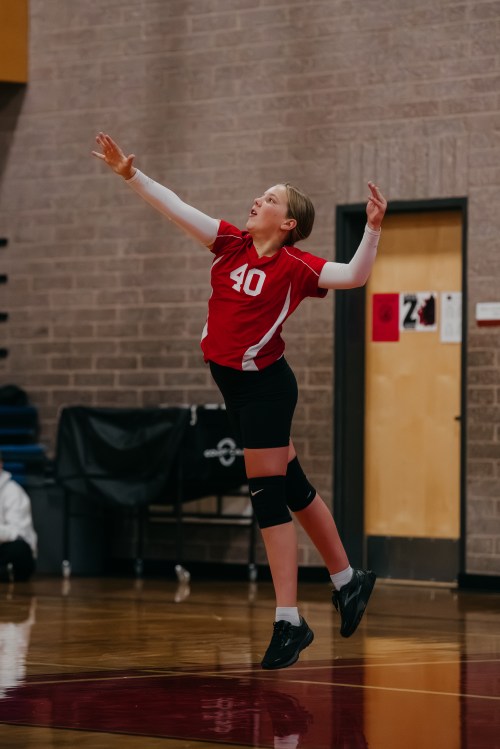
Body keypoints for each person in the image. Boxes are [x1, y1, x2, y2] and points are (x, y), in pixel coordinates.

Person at [92, 132, 387, 670]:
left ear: (288, 222)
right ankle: (348, 580)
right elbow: (177, 208)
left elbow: (354, 276)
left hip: (265, 390)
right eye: (260, 194)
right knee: (294, 489)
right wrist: (131, 175)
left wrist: (371, 229)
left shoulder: (296, 266)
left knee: (268, 498)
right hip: (238, 387)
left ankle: (289, 621)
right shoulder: (229, 244)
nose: (257, 200)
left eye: (270, 199)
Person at [0, 453, 37, 582]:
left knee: (19, 549)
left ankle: (8, 572)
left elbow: (18, 533)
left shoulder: (13, 491)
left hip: (9, 549)